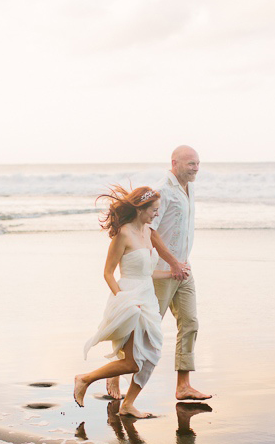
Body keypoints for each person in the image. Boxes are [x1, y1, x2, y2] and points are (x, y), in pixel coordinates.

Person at [106, 146, 211, 402]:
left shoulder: (190, 188)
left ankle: (183, 385)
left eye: (198, 163)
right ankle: (116, 371)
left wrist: (181, 264)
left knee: (190, 323)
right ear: (175, 163)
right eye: (190, 164)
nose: (196, 168)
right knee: (144, 328)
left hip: (183, 268)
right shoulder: (163, 190)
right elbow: (150, 230)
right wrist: (172, 263)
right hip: (162, 270)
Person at [73, 186, 173, 417]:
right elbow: (108, 273)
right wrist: (124, 301)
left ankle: (128, 404)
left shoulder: (147, 232)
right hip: (129, 298)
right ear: (141, 209)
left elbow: (147, 273)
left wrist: (171, 274)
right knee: (131, 362)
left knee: (151, 356)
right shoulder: (123, 234)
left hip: (148, 299)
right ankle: (84, 379)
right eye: (154, 210)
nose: (156, 214)